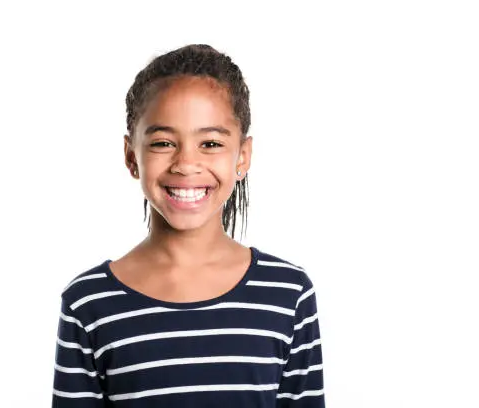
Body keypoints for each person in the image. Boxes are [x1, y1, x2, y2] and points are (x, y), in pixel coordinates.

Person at [51, 44, 325, 407]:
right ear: (132, 157)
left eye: (210, 143)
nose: (186, 163)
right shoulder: (88, 303)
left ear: (242, 157)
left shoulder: (288, 294)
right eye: (164, 142)